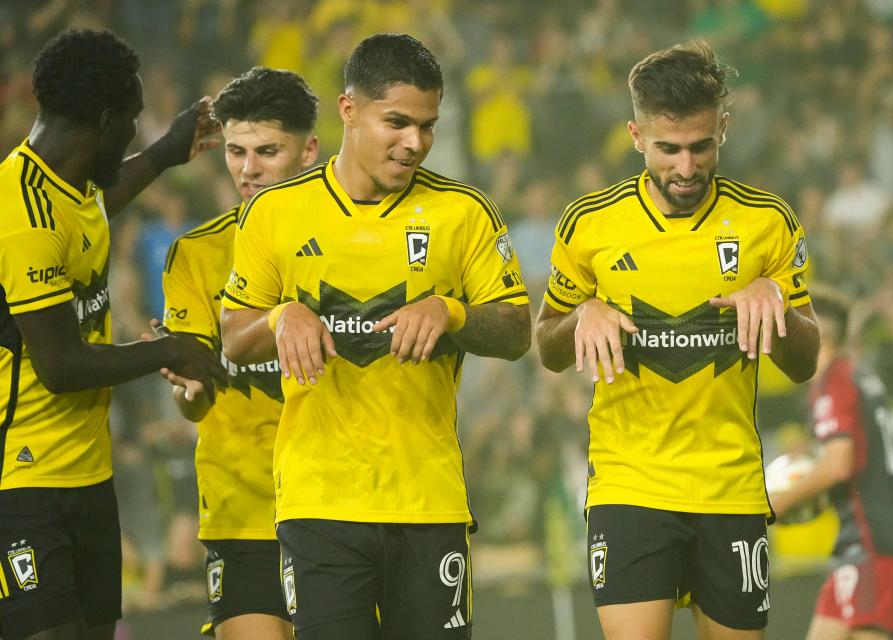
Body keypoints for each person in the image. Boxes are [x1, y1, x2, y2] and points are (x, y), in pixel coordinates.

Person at [219, 33, 531, 639]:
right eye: (397, 122)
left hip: (429, 501)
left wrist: (452, 312)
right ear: (348, 111)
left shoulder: (464, 212)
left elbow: (519, 328)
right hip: (320, 505)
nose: (414, 143)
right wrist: (283, 315)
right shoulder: (275, 213)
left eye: (427, 126)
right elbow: (234, 337)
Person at [535, 41, 821, 639]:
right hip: (629, 484)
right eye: (668, 149)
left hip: (731, 488)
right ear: (636, 135)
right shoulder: (590, 224)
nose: (685, 169)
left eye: (700, 147)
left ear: (723, 128)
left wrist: (777, 308)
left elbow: (804, 362)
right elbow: (548, 348)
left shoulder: (767, 222)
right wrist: (582, 312)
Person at [0, 29, 225, 640]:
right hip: (23, 484)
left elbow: (98, 206)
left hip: (88, 475)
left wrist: (165, 154)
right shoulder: (21, 216)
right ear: (104, 121)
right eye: (132, 122)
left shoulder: (68, 186)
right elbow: (61, 366)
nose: (135, 133)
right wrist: (171, 349)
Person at [160, 66, 320, 640]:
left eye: (267, 151)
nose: (247, 170)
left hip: (339, 503)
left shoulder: (355, 242)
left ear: (309, 150)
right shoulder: (196, 255)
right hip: (241, 507)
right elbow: (192, 402)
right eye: (234, 152)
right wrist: (189, 392)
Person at [769, 290, 893, 640]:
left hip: (872, 542)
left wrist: (772, 506)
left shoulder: (835, 380)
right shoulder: (856, 376)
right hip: (863, 541)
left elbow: (839, 465)